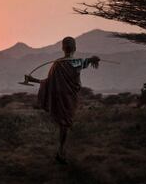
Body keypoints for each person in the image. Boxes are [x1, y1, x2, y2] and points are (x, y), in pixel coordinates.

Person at [26, 36, 100, 164]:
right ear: (75, 48)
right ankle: (61, 151)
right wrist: (93, 59)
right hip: (69, 98)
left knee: (64, 124)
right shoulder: (76, 62)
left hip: (61, 97)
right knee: (65, 124)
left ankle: (62, 150)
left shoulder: (58, 64)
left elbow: (49, 82)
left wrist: (33, 80)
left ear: (62, 48)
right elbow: (86, 62)